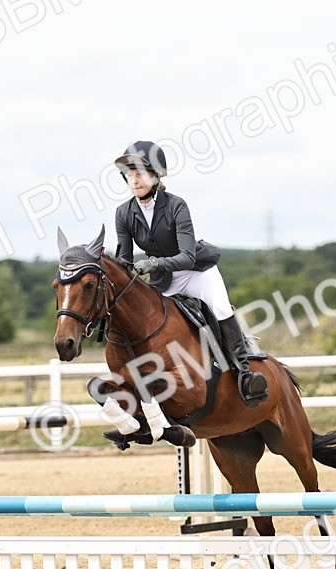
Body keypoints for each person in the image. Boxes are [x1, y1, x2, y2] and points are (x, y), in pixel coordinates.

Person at [112, 140, 269, 408]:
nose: (133, 179)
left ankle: (244, 372)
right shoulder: (124, 213)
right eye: (129, 174)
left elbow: (187, 256)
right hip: (163, 280)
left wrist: (153, 264)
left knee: (219, 308)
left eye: (139, 172)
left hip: (195, 272)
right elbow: (124, 261)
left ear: (156, 174)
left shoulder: (176, 205)